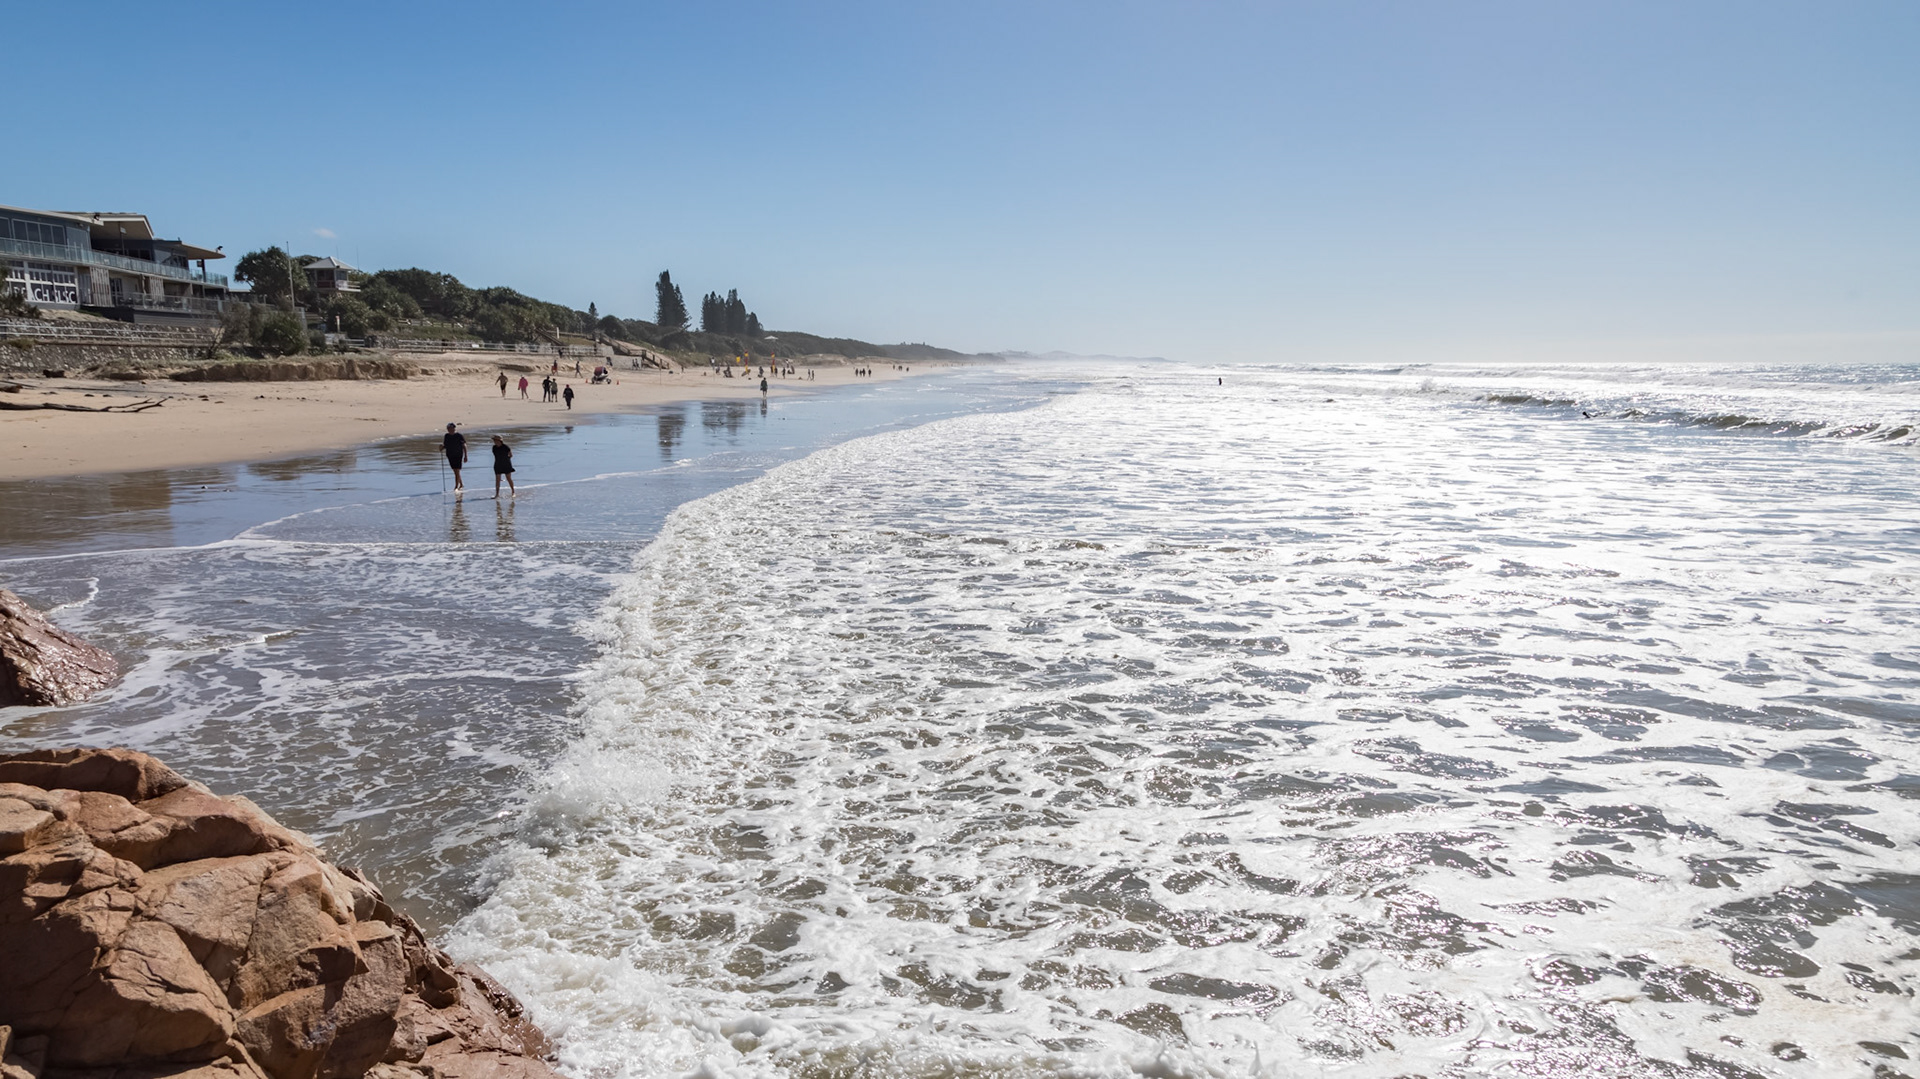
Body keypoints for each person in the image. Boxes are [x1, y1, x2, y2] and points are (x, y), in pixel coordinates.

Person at [442, 423, 467, 492]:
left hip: (458, 455)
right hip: (450, 455)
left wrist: (465, 456)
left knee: (457, 471)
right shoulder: (446, 436)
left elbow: (464, 445)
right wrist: (441, 447)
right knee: (455, 471)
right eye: (448, 428)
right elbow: (445, 445)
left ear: (453, 428)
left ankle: (456, 486)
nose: (449, 429)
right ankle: (461, 484)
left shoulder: (459, 435)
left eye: (450, 428)